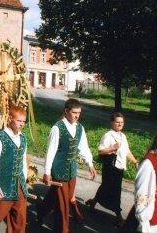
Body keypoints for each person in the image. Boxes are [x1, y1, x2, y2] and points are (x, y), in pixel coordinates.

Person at [37, 98, 96, 233]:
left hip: (72, 171)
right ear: (66, 111)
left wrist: (90, 164)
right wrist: (47, 171)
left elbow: (84, 147)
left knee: (59, 198)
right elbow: (50, 151)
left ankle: (41, 210)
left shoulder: (80, 128)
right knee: (63, 206)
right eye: (74, 112)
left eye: (79, 113)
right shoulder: (57, 128)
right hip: (59, 171)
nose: (77, 115)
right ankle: (62, 230)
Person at [86, 112, 139, 227]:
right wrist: (112, 148)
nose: (120, 124)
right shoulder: (108, 135)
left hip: (119, 167)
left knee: (106, 186)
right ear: (112, 123)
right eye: (117, 122)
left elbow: (126, 151)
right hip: (110, 166)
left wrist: (135, 161)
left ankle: (93, 202)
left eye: (122, 122)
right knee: (114, 190)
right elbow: (100, 151)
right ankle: (119, 216)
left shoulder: (123, 136)